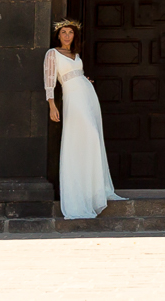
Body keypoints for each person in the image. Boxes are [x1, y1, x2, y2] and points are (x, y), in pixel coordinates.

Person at [45, 19, 123, 219]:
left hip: (88, 96)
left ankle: (96, 190)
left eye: (70, 32)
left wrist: (83, 78)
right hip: (73, 99)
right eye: (64, 32)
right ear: (58, 35)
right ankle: (79, 194)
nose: (67, 36)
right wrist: (52, 104)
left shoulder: (75, 54)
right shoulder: (52, 54)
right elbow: (50, 81)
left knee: (93, 138)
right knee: (86, 135)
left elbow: (75, 73)